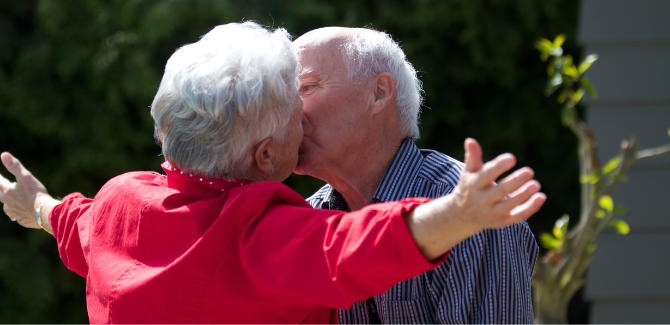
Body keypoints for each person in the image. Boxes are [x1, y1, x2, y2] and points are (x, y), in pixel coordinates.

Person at [0, 22, 546, 324]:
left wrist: (37, 207)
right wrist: (452, 216)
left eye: (306, 89)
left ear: (380, 94)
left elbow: (80, 223)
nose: (300, 113)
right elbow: (355, 250)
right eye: (292, 99)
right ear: (265, 156)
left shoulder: (124, 200)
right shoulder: (270, 229)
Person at [293, 27, 541, 323]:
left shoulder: (472, 211)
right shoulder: (306, 220)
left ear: (379, 93)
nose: (289, 111)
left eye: (306, 88)